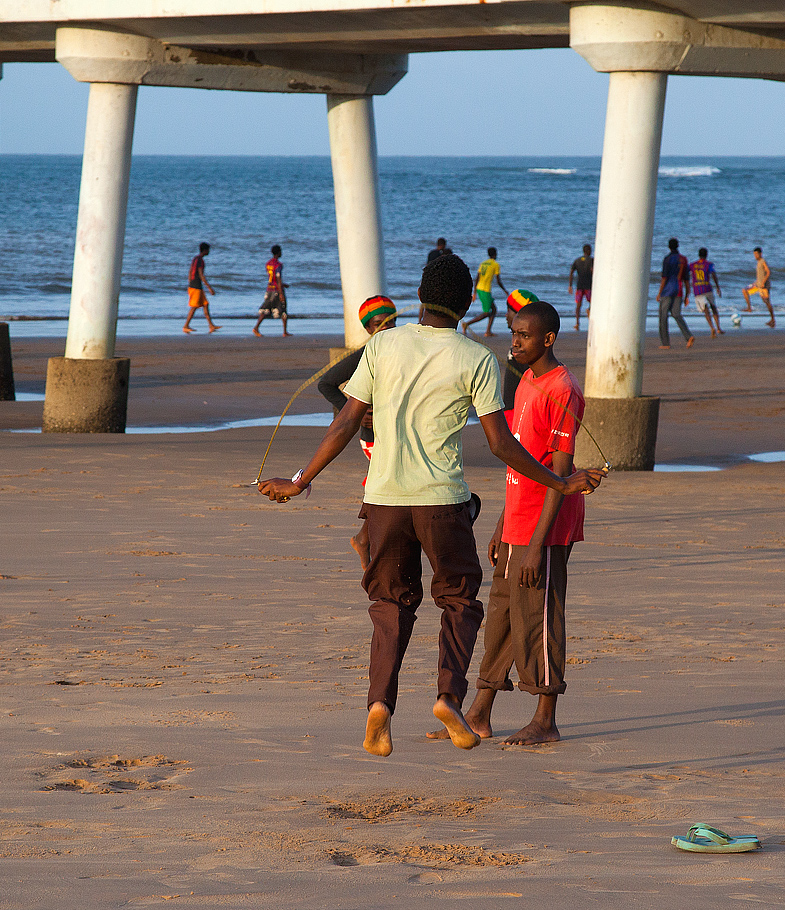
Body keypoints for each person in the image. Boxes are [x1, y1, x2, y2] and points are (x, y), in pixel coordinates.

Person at [257, 254, 603, 758]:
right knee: (459, 601)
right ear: (465, 304)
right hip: (442, 502)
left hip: (383, 501)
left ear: (419, 296)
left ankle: (380, 704)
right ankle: (448, 697)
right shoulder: (477, 358)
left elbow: (346, 421)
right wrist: (561, 482)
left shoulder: (383, 345)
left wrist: (298, 481)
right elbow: (501, 444)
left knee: (388, 606)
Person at [429, 300, 585, 747]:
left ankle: (545, 718)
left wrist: (536, 544)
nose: (514, 342)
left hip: (544, 529)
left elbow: (560, 474)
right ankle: (479, 713)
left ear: (548, 339)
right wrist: (502, 523)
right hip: (517, 522)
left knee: (538, 618)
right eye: (513, 333)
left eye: (524, 335)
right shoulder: (524, 380)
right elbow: (520, 461)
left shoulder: (563, 389)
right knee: (502, 617)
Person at [317, 294, 398, 569]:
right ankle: (366, 541)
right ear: (368, 329)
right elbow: (326, 384)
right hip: (374, 438)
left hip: (400, 434)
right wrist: (355, 412)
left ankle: (364, 539)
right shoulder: (365, 354)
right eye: (379, 324)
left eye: (391, 321)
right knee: (390, 492)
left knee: (392, 491)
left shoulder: (404, 351)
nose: (387, 327)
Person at [461, 247, 509, 337]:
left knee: (494, 309)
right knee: (486, 312)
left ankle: (488, 331)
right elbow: (498, 280)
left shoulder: (483, 263)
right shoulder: (495, 264)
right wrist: (505, 290)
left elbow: (477, 278)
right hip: (485, 290)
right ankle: (467, 324)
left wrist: (474, 292)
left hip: (480, 288)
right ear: (495, 254)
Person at [657, 238, 693, 348]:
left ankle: (665, 343)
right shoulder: (683, 259)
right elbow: (686, 279)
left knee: (663, 316)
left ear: (669, 247)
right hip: (679, 289)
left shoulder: (667, 259)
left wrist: (659, 292)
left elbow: (664, 277)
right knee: (676, 314)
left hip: (668, 290)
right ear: (678, 246)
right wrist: (687, 295)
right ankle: (688, 336)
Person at [253, 244, 290, 337]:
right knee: (283, 309)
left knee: (266, 309)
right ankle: (285, 331)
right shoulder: (278, 265)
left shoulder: (268, 264)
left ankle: (256, 327)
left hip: (269, 289)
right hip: (276, 290)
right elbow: (278, 278)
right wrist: (281, 292)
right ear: (278, 253)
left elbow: (272, 278)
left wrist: (283, 284)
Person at [183, 242, 219, 334]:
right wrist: (209, 288)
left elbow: (190, 271)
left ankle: (211, 325)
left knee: (205, 304)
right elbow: (201, 275)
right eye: (208, 250)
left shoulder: (196, 258)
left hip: (195, 285)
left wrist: (190, 283)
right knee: (194, 306)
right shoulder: (200, 260)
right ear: (205, 250)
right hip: (196, 287)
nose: (209, 252)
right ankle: (186, 326)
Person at [689, 247, 722, 338]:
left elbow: (685, 273)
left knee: (705, 309)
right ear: (706, 255)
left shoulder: (692, 265)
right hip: (707, 288)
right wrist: (717, 287)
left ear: (699, 255)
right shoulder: (709, 264)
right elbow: (713, 274)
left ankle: (712, 327)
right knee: (713, 307)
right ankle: (718, 327)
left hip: (698, 290)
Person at [742, 246, 775, 327]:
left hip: (764, 286)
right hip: (757, 284)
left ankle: (773, 319)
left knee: (767, 301)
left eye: (756, 254)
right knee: (745, 291)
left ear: (760, 254)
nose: (755, 256)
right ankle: (749, 308)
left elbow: (768, 272)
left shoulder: (763, 261)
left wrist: (763, 282)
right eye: (754, 254)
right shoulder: (758, 262)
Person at [568, 244, 593, 330]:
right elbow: (593, 271)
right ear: (589, 251)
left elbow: (571, 272)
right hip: (589, 285)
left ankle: (577, 323)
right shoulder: (591, 260)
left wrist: (570, 286)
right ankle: (589, 310)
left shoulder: (577, 260)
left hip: (579, 285)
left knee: (578, 305)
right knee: (592, 302)